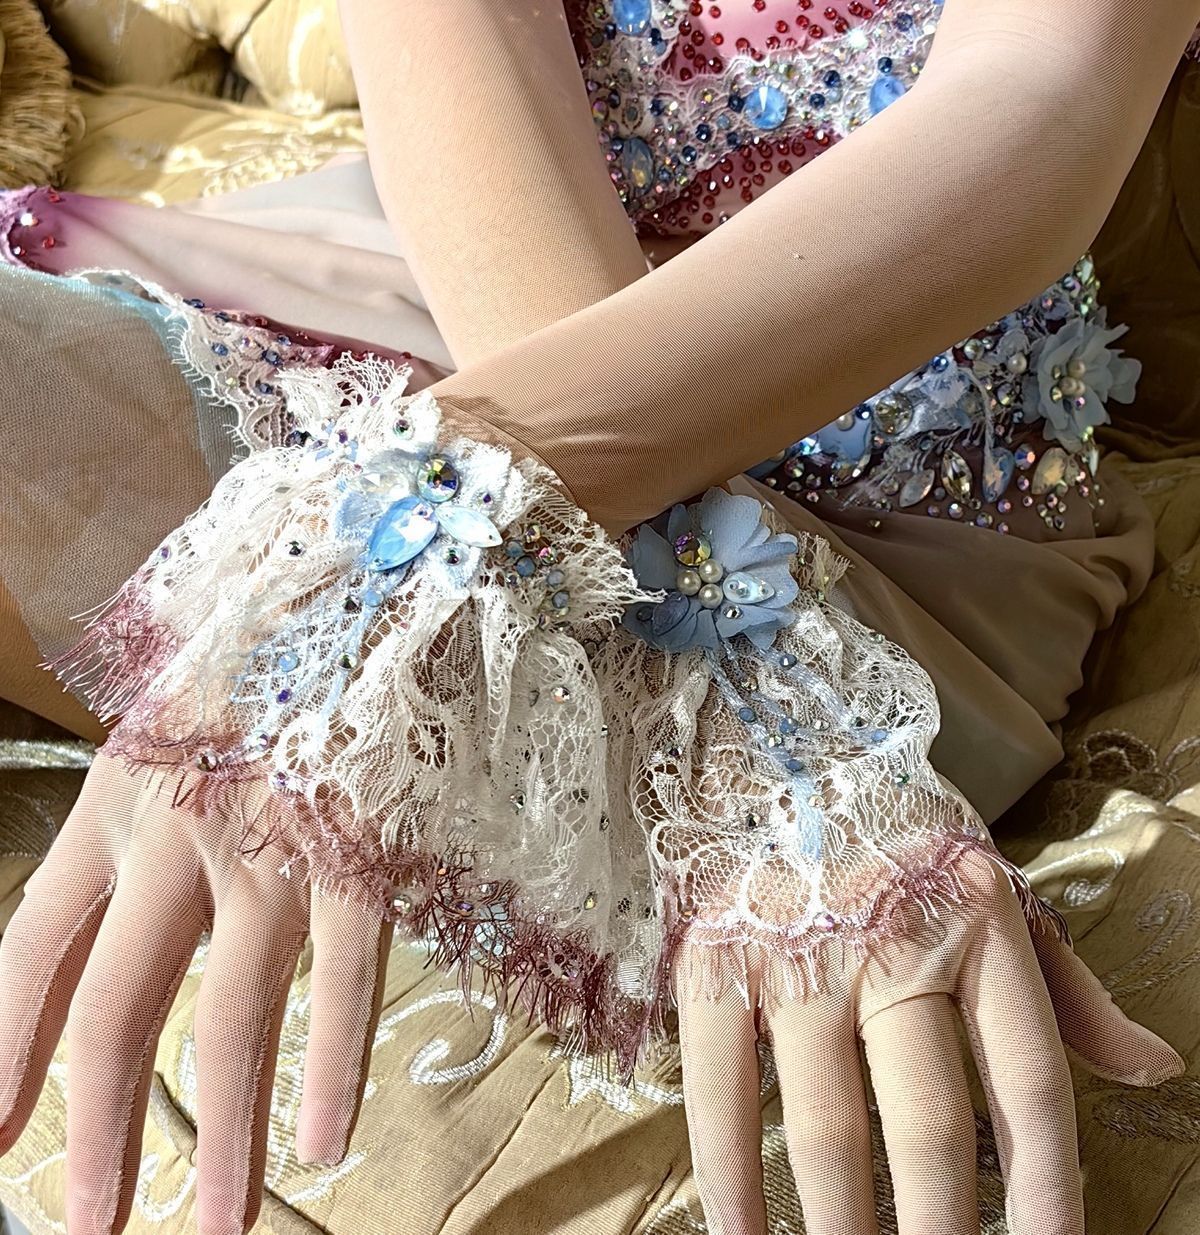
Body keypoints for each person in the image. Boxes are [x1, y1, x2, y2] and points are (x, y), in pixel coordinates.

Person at [0, 2, 1195, 1232]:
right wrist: (698, 651)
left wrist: (419, 532)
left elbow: (1042, 87)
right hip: (437, 325)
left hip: (907, 525)